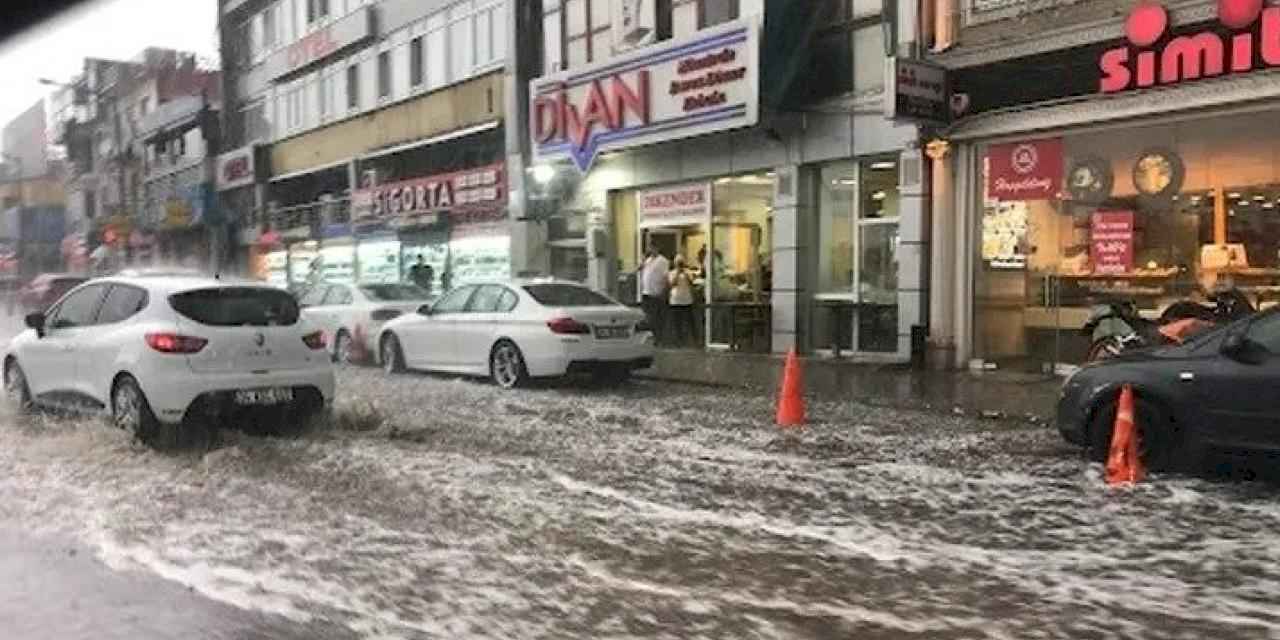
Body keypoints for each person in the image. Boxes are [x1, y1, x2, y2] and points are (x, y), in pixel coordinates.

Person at [639, 244, 669, 345]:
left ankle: (658, 338)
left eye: (652, 249)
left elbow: (665, 277)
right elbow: (639, 269)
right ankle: (651, 336)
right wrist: (643, 261)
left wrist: (663, 291)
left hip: (656, 293)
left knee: (656, 318)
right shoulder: (648, 260)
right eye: (649, 249)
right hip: (646, 292)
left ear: (656, 249)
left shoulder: (662, 261)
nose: (650, 251)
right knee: (647, 316)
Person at [668, 255, 695, 347]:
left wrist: (686, 274)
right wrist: (677, 273)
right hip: (675, 301)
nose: (680, 265)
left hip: (687, 300)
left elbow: (691, 283)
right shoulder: (672, 273)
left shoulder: (688, 272)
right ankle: (678, 341)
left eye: (681, 262)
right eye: (678, 263)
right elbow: (672, 284)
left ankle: (690, 340)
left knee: (688, 322)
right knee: (677, 323)